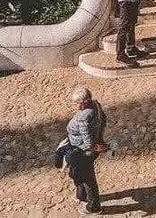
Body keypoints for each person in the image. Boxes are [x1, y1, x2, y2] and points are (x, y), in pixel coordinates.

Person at [60, 85, 108, 214]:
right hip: (84, 149)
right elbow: (103, 122)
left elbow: (87, 137)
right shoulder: (96, 106)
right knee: (77, 172)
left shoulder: (83, 118)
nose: (75, 105)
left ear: (83, 103)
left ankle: (93, 206)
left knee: (87, 179)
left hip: (83, 152)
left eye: (76, 103)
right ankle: (81, 195)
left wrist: (91, 148)